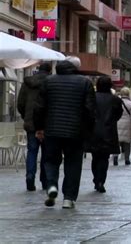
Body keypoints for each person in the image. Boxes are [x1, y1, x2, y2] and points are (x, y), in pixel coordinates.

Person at [33, 57, 96, 209]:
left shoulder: (48, 82)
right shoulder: (85, 82)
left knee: (50, 160)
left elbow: (39, 107)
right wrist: (88, 131)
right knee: (73, 164)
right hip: (76, 131)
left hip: (52, 130)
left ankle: (52, 185)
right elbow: (90, 110)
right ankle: (69, 198)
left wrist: (39, 128)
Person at [85, 76, 122, 193]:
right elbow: (118, 114)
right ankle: (101, 180)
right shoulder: (115, 99)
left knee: (95, 157)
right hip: (108, 131)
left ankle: (96, 179)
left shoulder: (92, 98)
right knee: (104, 158)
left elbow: (87, 111)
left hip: (93, 130)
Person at [17, 62, 51, 191]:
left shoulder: (27, 83)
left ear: (38, 70)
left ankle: (30, 176)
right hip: (47, 124)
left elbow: (20, 103)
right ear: (49, 71)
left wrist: (26, 116)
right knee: (46, 153)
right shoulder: (51, 83)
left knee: (32, 151)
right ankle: (45, 180)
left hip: (31, 123)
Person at [115, 87, 131, 166]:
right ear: (128, 94)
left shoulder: (116, 102)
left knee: (116, 142)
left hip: (117, 123)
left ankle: (115, 157)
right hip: (128, 125)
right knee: (127, 143)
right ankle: (127, 159)